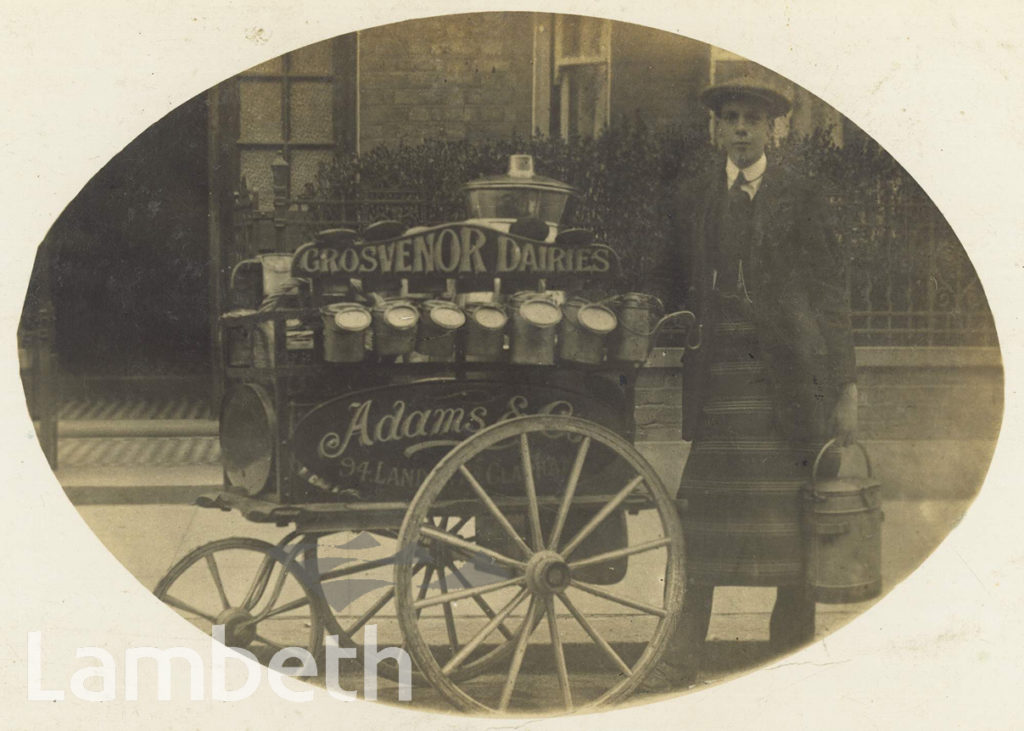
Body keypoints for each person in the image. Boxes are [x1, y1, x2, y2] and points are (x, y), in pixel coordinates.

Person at [645, 76, 858, 691]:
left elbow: (830, 295)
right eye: (730, 118)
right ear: (716, 130)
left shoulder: (803, 196)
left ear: (774, 129)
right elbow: (667, 270)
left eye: (752, 120)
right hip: (721, 384)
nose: (740, 128)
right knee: (700, 521)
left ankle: (786, 661)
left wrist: (846, 388)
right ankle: (680, 657)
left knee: (794, 529)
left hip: (789, 386)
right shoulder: (693, 196)